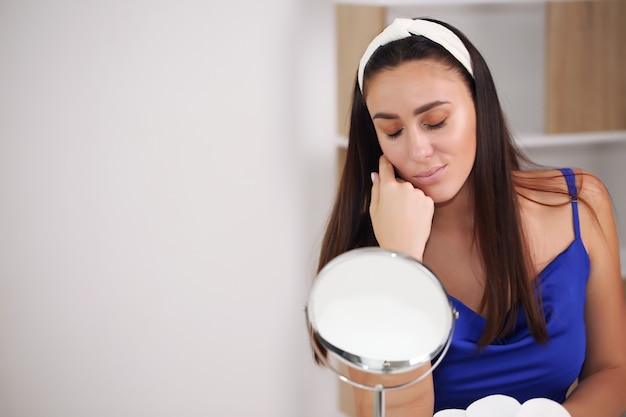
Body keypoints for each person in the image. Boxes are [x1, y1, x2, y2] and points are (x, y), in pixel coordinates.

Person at [313, 17, 626, 417]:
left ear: (481, 106)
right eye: (392, 132)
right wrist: (401, 263)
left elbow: (612, 372)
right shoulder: (368, 258)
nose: (418, 150)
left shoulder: (579, 201)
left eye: (436, 122)